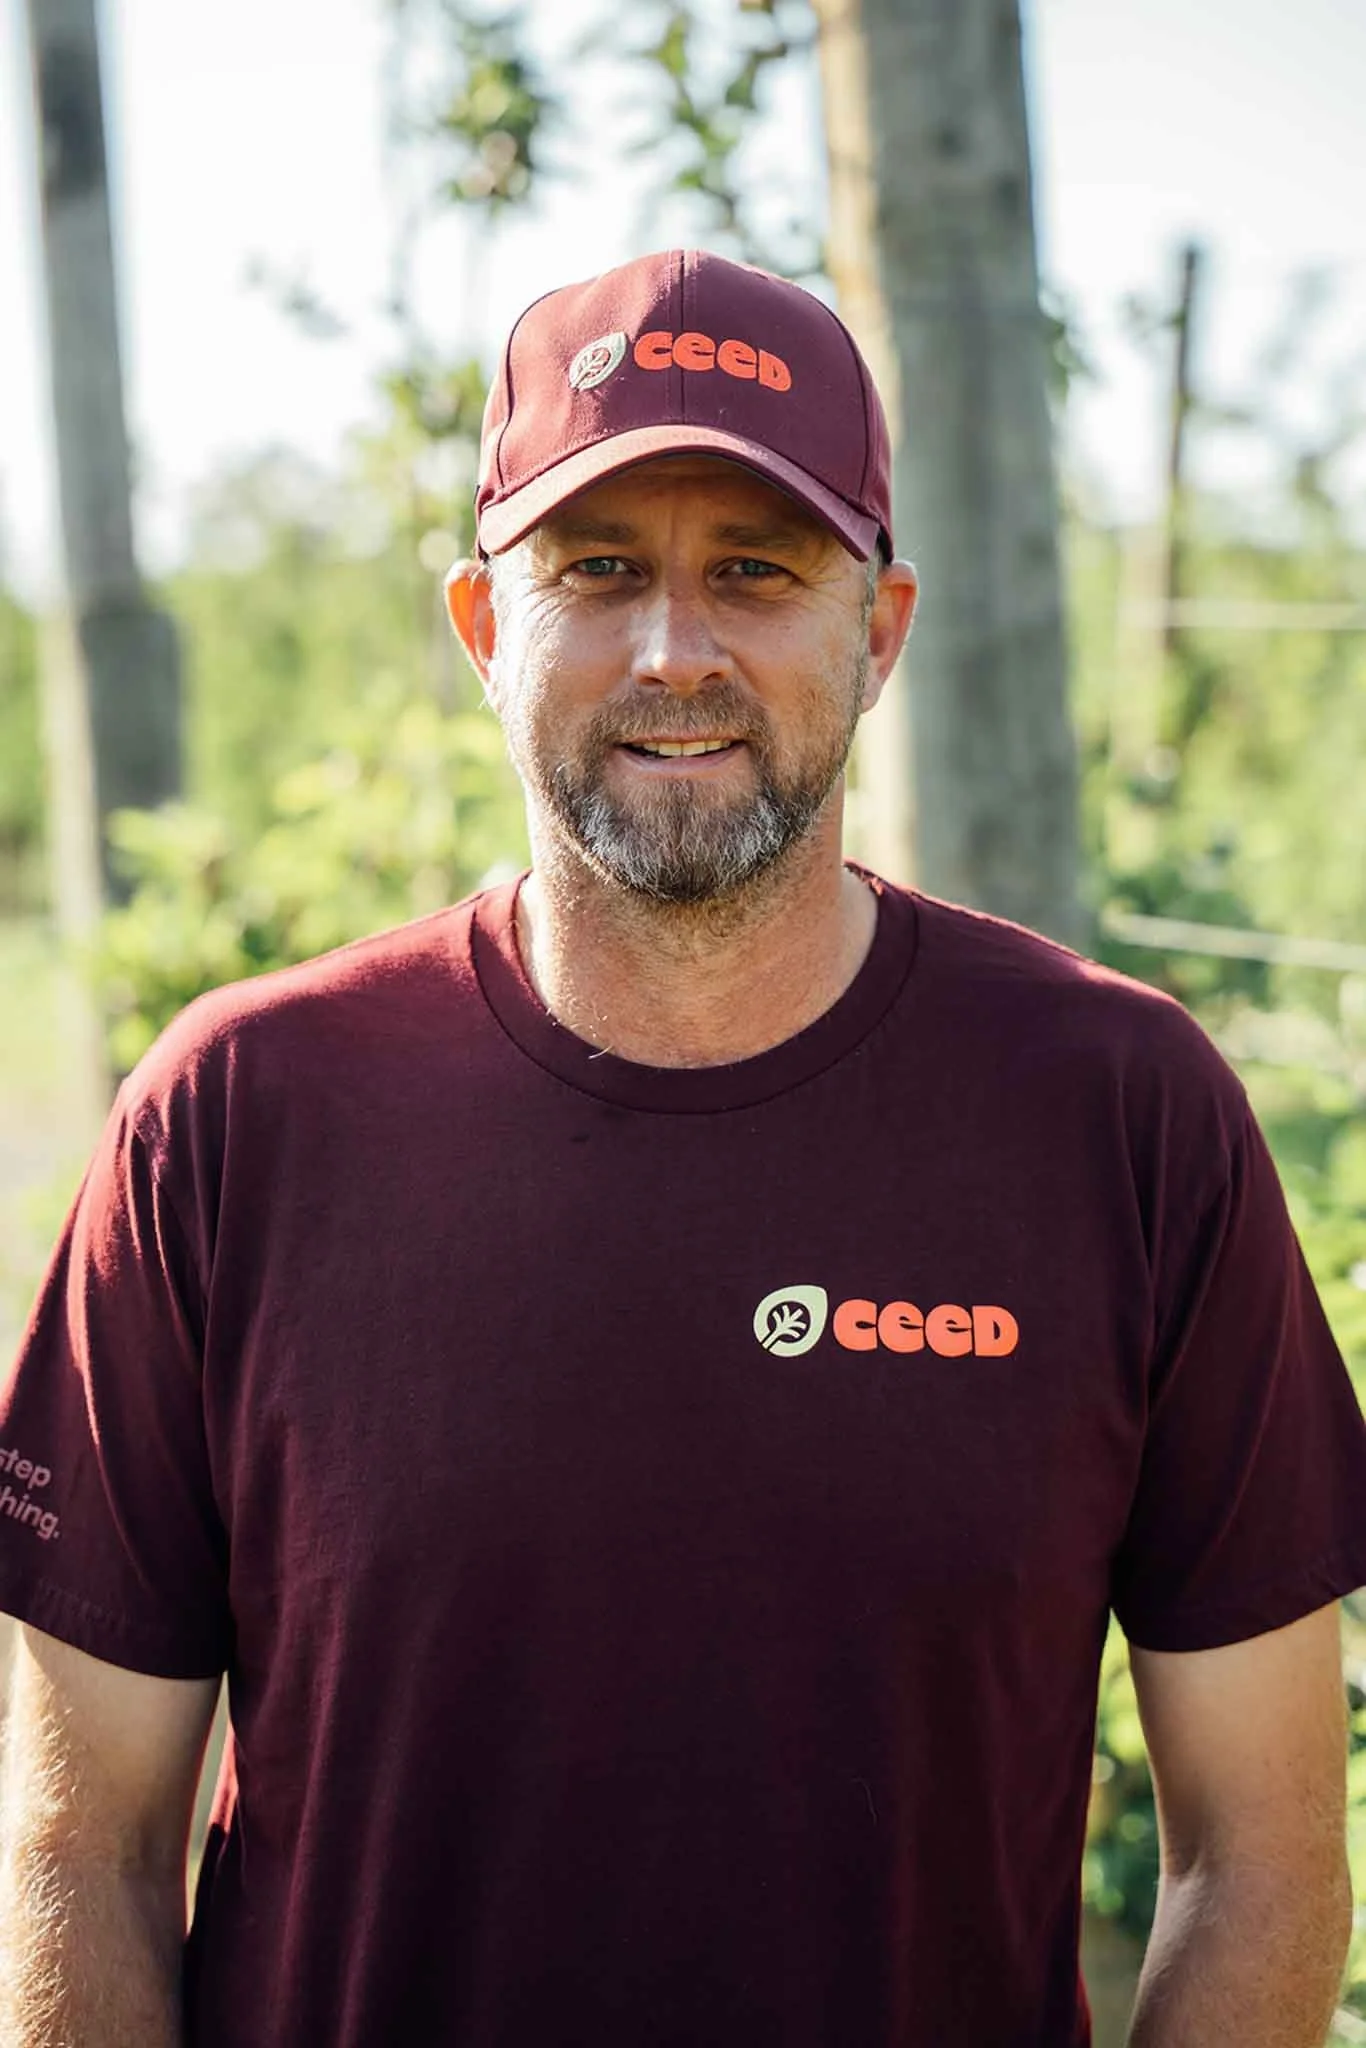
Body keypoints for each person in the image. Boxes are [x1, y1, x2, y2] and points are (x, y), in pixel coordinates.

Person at [1, 248, 1364, 2048]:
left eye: (755, 569)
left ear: (875, 631)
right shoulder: (235, 1117)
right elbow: (80, 1851)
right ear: (488, 630)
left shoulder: (1119, 1113)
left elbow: (1260, 1857)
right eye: (596, 569)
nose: (674, 650)